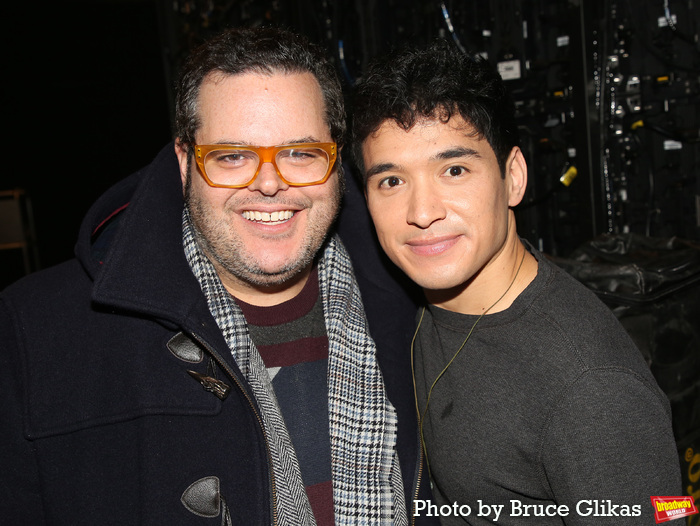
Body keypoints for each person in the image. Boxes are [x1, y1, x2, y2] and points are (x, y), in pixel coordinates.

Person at [0, 27, 433, 525]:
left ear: (335, 161)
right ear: (185, 163)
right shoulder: (36, 332)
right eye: (231, 156)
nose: (269, 183)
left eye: (300, 153)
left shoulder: (419, 307)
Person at [351, 39, 682, 525]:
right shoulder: (407, 299)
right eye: (392, 181)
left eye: (455, 169)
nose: (421, 214)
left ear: (514, 178)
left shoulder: (593, 389)